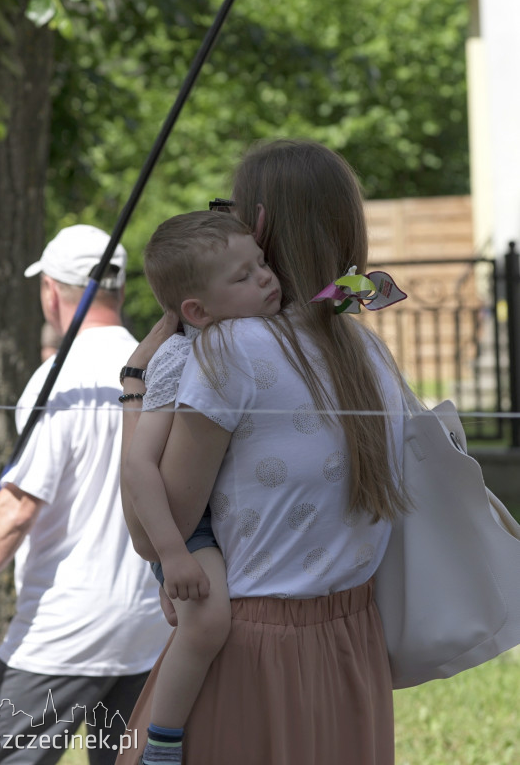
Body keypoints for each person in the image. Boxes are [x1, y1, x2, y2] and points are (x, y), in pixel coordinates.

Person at [118, 139, 409, 765]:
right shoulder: (369, 353)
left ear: (259, 224)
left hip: (255, 651)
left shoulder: (232, 350)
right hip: (354, 645)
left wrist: (137, 384)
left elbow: (151, 532)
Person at [0, 224, 172, 765]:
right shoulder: (159, 369)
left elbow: (16, 509)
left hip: (61, 639)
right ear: (121, 289)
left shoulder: (55, 381)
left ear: (51, 290)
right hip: (147, 633)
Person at [120, 211, 282, 765]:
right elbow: (141, 465)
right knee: (208, 618)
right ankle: (160, 740)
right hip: (182, 523)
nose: (265, 278)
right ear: (196, 311)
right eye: (243, 277)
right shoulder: (177, 357)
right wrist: (171, 555)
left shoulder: (249, 337)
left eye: (263, 263)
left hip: (218, 507)